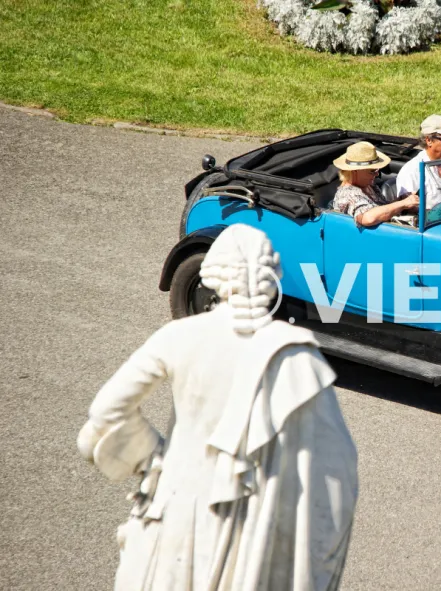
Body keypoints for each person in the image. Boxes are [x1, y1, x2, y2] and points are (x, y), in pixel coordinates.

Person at [76, 224, 358, 591]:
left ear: (213, 276)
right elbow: (337, 468)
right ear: (272, 278)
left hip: (175, 510)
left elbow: (105, 412)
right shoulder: (294, 355)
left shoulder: (179, 336)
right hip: (250, 529)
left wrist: (154, 456)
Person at [331, 141, 419, 227]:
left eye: (377, 170)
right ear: (355, 171)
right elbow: (368, 218)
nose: (377, 174)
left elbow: (382, 208)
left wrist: (401, 201)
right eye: (372, 171)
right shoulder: (348, 194)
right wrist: (403, 203)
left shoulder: (368, 185)